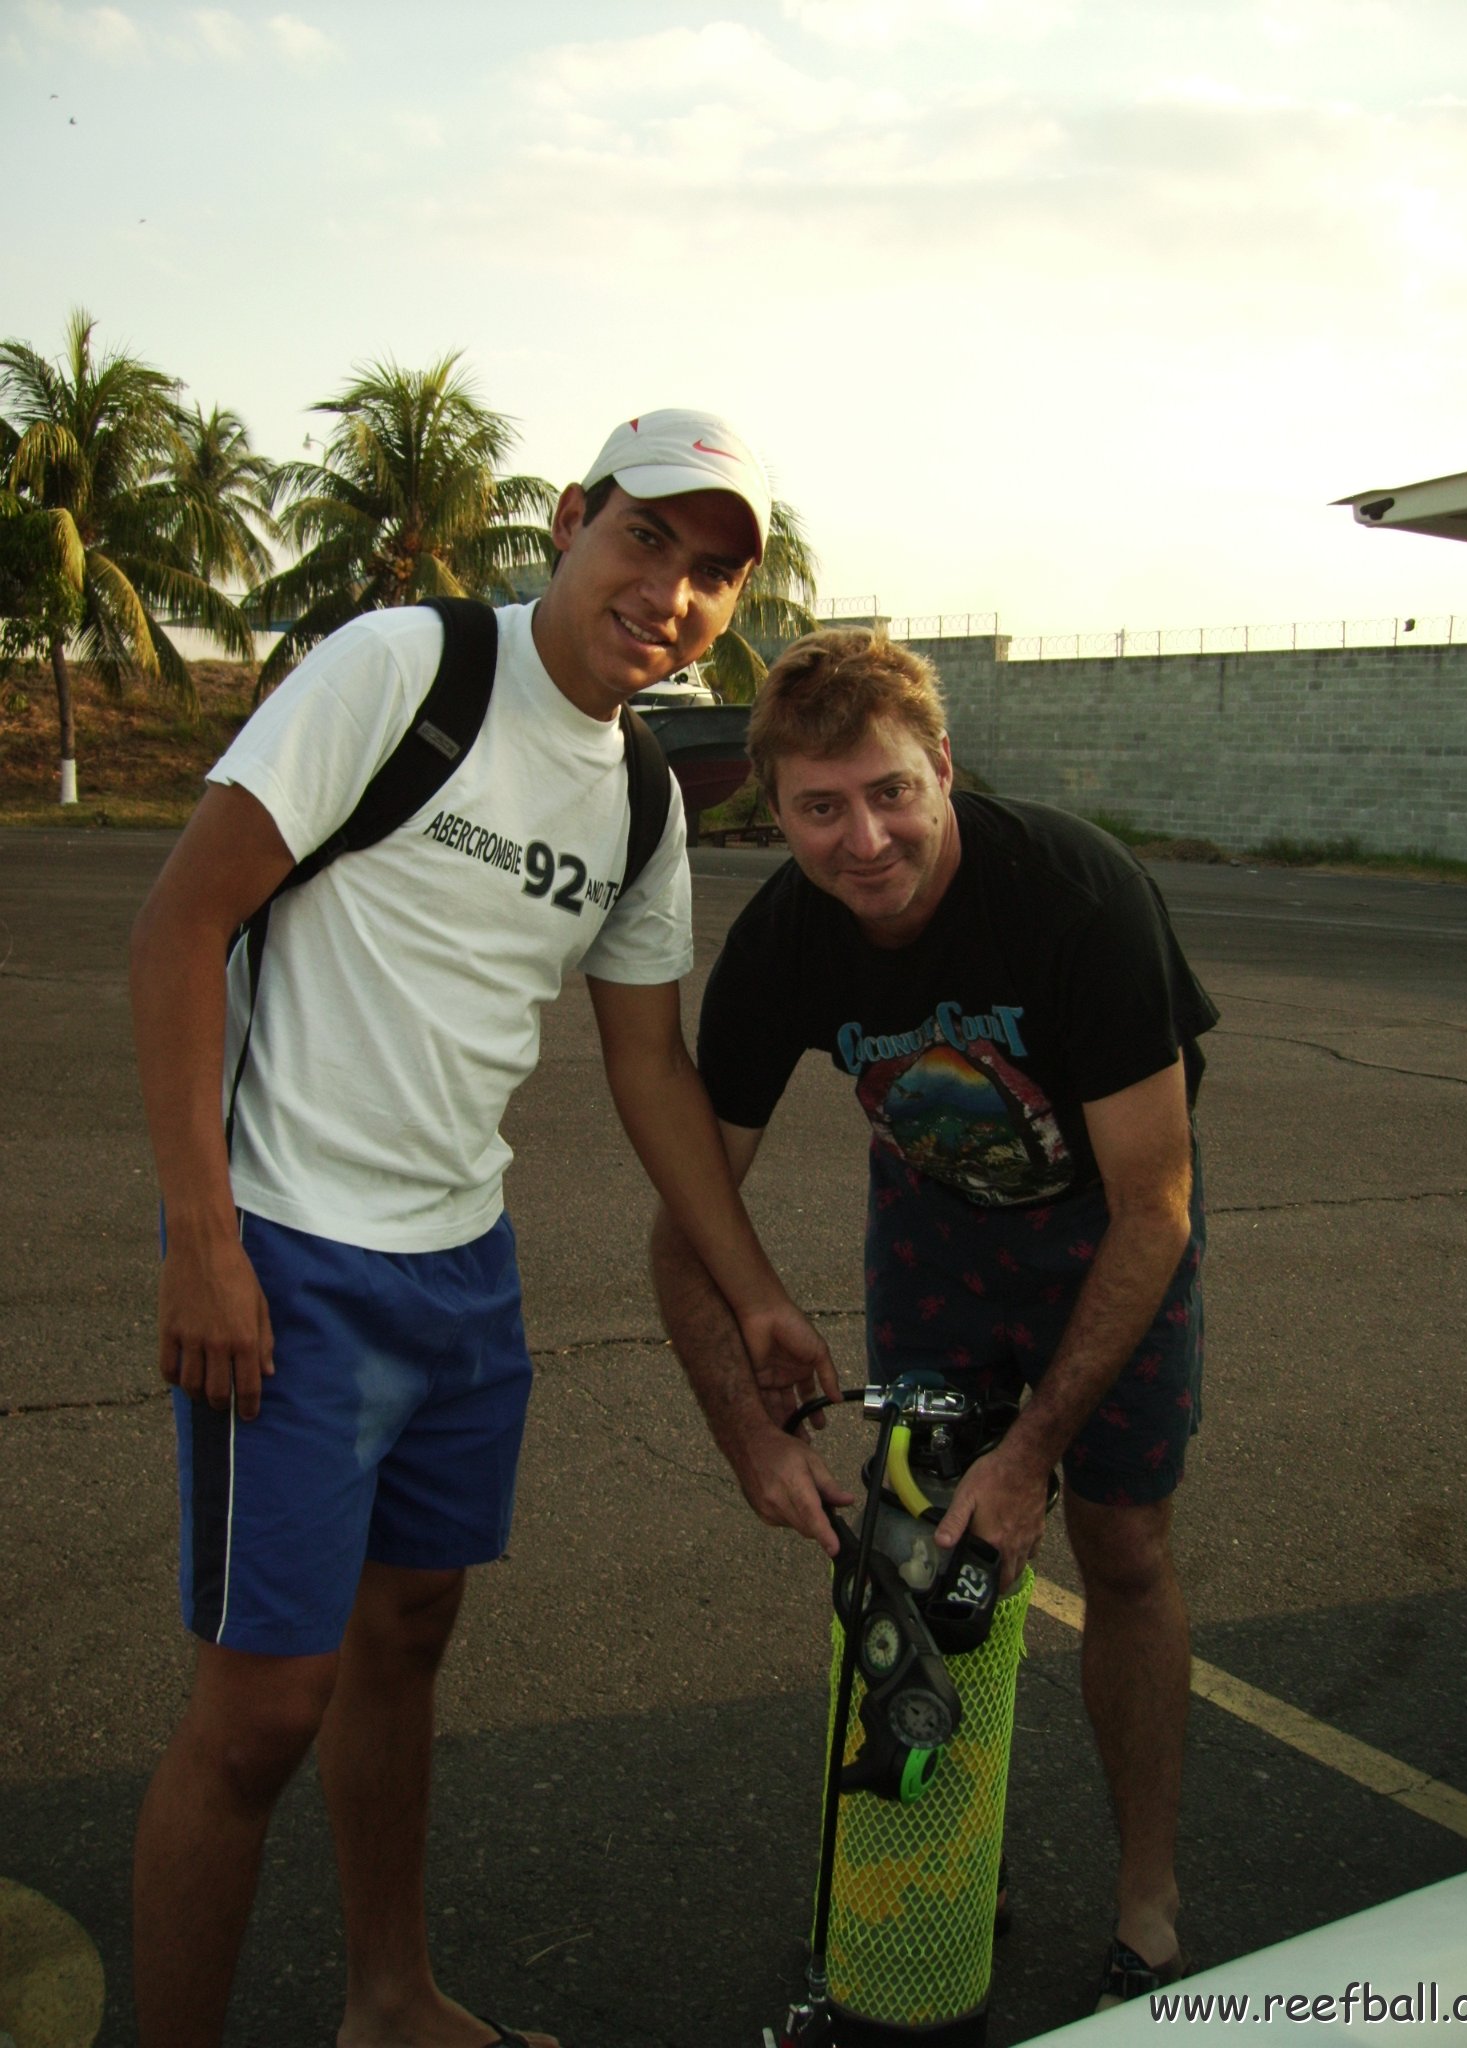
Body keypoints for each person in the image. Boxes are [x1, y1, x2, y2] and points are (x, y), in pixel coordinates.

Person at [127, 408, 836, 2048]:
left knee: (411, 1640)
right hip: (288, 1248)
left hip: (463, 1274)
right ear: (575, 520)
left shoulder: (645, 800)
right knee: (256, 1720)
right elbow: (180, 926)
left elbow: (649, 1065)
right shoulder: (407, 667)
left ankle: (390, 1999)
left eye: (716, 571)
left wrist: (757, 1298)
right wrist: (200, 1237)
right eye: (647, 538)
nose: (671, 589)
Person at [649, 625, 1218, 2011]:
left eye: (892, 792)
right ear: (774, 811)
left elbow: (1156, 1206)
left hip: (1107, 1235)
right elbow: (686, 1223)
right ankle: (951, 1860)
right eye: (822, 807)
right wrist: (746, 1437)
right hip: (935, 1238)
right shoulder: (783, 942)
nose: (864, 838)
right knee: (920, 1556)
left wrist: (1033, 1458)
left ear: (944, 770)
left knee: (1123, 1547)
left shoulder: (1074, 893)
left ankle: (1150, 1886)